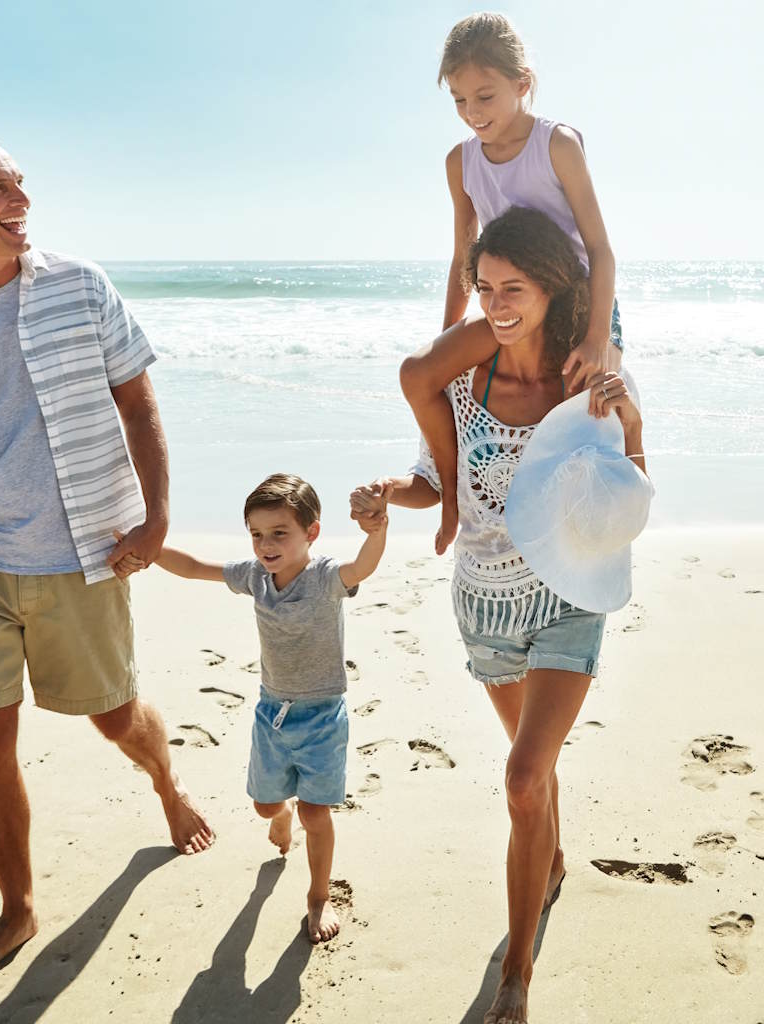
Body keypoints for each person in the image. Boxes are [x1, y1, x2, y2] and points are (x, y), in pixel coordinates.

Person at [0, 120, 213, 993]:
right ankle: (16, 907)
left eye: (20, 185)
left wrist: (157, 516)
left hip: (81, 551)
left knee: (113, 715)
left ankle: (166, 785)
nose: (20, 201)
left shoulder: (79, 288)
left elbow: (138, 401)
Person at [351, 207, 649, 1024]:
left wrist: (631, 423)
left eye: (513, 288)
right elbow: (433, 481)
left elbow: (631, 493)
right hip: (483, 601)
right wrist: (387, 494)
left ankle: (516, 971)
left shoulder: (588, 379)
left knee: (521, 777)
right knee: (537, 773)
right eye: (483, 288)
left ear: (554, 287)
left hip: (568, 597)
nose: (496, 303)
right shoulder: (462, 383)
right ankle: (547, 863)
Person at [410, 11, 623, 555]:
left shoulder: (557, 145)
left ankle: (582, 539)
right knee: (422, 372)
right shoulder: (459, 163)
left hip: (578, 304)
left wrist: (598, 337)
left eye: (484, 96)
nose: (471, 113)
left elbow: (600, 249)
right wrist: (450, 333)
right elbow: (464, 253)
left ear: (521, 83)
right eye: (459, 100)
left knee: (584, 425)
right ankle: (450, 492)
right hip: (507, 304)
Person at [153, 474, 387, 943]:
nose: (266, 544)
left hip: (322, 717)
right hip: (271, 714)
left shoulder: (324, 578)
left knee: (316, 815)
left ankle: (318, 897)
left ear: (311, 533)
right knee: (265, 806)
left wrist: (376, 529)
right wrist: (146, 547)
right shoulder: (256, 576)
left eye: (279, 533)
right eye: (256, 534)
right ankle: (281, 816)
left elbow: (361, 568)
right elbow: (195, 566)